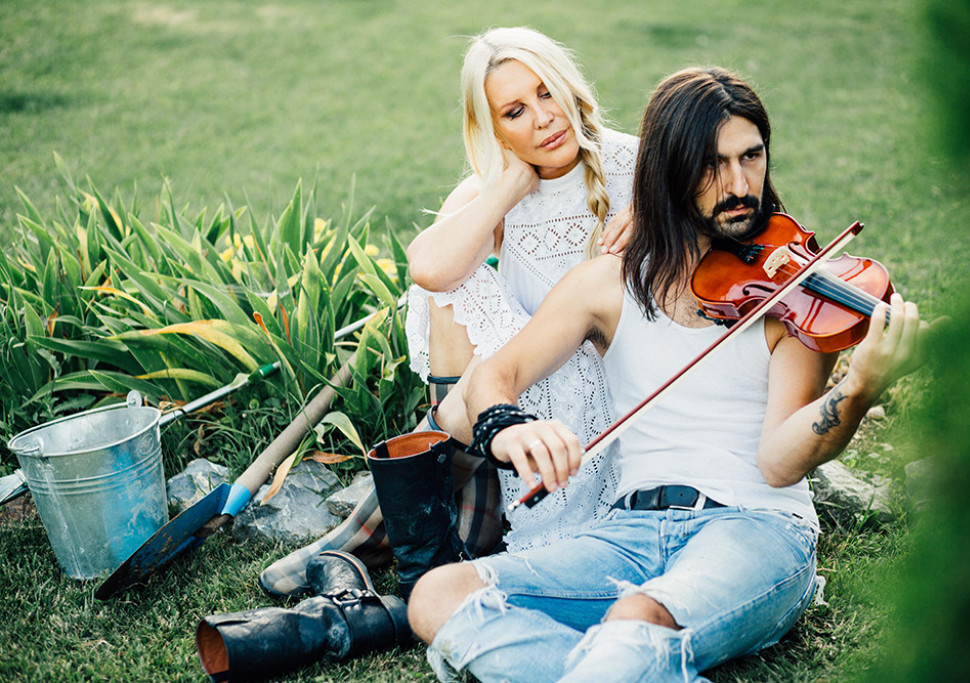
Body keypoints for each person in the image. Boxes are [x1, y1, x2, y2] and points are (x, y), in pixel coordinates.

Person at [407, 66, 925, 682]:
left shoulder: (795, 292)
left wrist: (858, 390)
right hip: (629, 529)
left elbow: (779, 463)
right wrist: (507, 425)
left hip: (753, 528)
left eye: (751, 156)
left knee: (636, 619)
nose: (740, 185)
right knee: (437, 596)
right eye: (712, 166)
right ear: (668, 171)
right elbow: (498, 373)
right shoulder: (608, 284)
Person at [195, 27, 637, 680]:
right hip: (515, 391)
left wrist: (655, 220)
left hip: (608, 384)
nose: (543, 118)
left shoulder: (634, 161)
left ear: (570, 86)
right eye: (515, 111)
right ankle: (430, 534)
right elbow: (428, 265)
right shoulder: (501, 185)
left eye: (548, 93)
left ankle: (383, 538)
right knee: (449, 285)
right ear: (493, 128)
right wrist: (509, 184)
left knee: (468, 369)